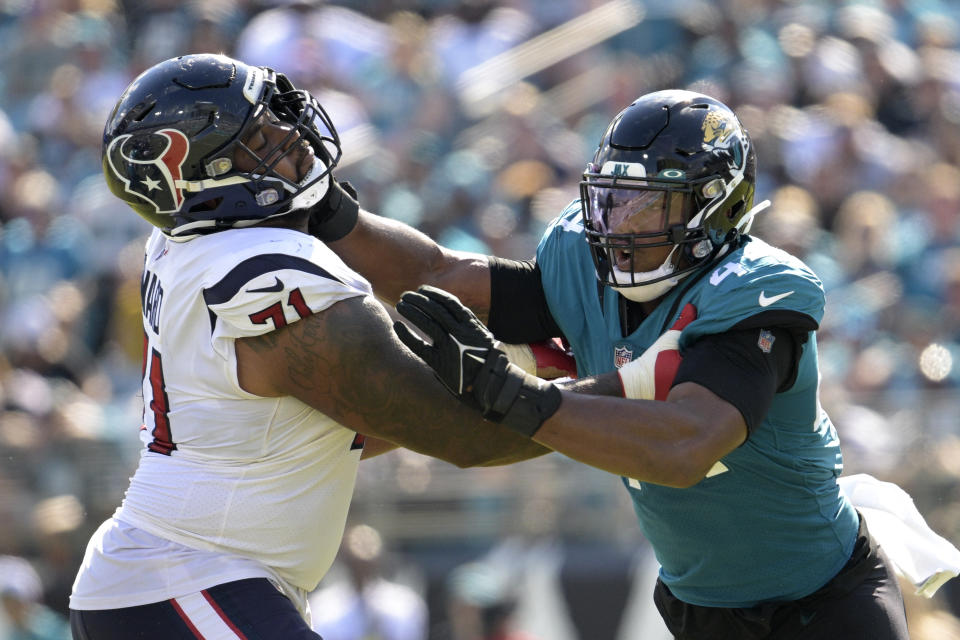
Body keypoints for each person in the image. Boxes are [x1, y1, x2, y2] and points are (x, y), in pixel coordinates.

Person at [323, 90, 911, 638]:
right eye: (614, 200)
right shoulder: (583, 263)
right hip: (701, 609)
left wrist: (516, 395)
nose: (620, 227)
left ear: (716, 207)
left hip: (824, 604)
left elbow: (685, 446)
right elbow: (436, 274)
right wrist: (324, 212)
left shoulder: (754, 291)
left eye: (649, 207)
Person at [67, 53, 552, 640]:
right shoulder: (263, 275)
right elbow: (464, 439)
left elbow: (351, 422)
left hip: (182, 579)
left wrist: (531, 365)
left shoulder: (190, 244)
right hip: (187, 577)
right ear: (204, 177)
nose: (294, 142)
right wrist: (611, 395)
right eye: (263, 141)